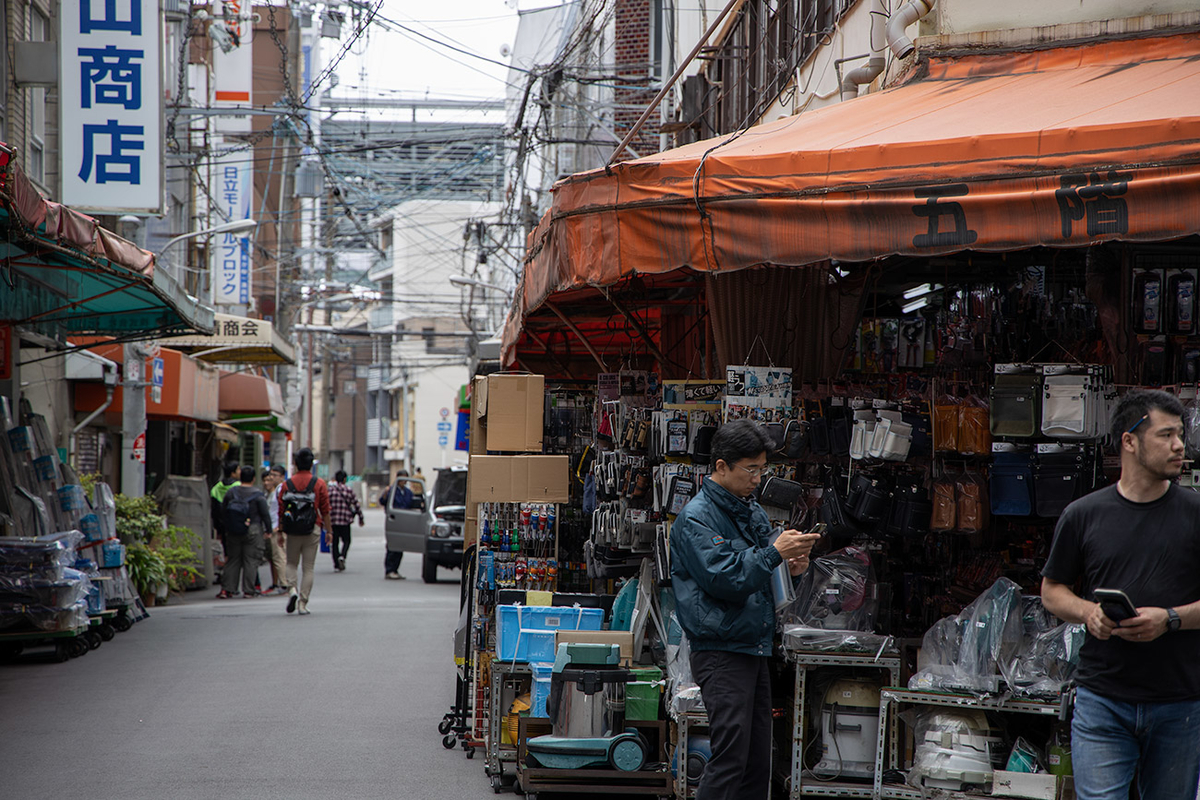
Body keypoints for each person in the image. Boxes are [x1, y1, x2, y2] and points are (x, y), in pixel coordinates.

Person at [1041, 389, 1200, 800]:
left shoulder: (1195, 513)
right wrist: (1088, 612)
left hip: (1179, 703)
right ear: (1130, 441)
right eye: (1166, 435)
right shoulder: (1084, 514)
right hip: (1103, 701)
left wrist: (1171, 618)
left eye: (1180, 434)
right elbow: (1052, 591)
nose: (1179, 445)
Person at [670, 419, 820, 800]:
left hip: (752, 645)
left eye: (762, 470)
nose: (757, 479)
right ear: (722, 466)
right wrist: (774, 554)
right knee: (730, 759)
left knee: (756, 761)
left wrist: (791, 569)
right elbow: (725, 578)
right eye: (750, 469)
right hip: (721, 650)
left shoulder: (748, 510)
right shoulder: (696, 517)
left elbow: (759, 574)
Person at [278, 448, 331, 615]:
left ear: (295, 463)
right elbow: (325, 509)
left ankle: (292, 589)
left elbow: (281, 509)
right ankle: (302, 603)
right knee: (308, 567)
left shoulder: (287, 484)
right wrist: (328, 531)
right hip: (312, 527)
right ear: (311, 464)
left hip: (292, 529)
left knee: (291, 563)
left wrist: (280, 531)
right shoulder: (319, 483)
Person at [217, 466, 271, 599]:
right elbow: (265, 514)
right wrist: (268, 530)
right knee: (251, 561)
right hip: (253, 529)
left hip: (234, 529)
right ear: (253, 479)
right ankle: (248, 590)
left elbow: (223, 511)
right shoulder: (258, 495)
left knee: (233, 559)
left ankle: (227, 589)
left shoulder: (231, 492)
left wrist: (227, 527)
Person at [261, 465, 290, 595]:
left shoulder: (282, 489)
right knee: (277, 557)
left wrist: (279, 526)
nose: (271, 478)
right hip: (274, 526)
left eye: (274, 475)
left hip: (278, 527)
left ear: (282, 476)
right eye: (271, 475)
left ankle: (284, 584)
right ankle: (280, 582)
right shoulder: (274, 490)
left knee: (279, 557)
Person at [328, 470, 364, 572]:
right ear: (345, 479)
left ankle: (336, 564)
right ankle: (343, 556)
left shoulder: (330, 491)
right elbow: (356, 505)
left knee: (334, 543)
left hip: (333, 521)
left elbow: (324, 506)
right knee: (347, 540)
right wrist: (361, 518)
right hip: (345, 521)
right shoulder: (349, 490)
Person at [384, 469, 414, 580]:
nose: (404, 481)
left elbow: (411, 504)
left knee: (400, 546)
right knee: (392, 546)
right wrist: (385, 494)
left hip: (404, 521)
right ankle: (389, 569)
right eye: (402, 479)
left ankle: (395, 569)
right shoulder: (391, 491)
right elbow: (383, 502)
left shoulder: (408, 492)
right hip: (394, 520)